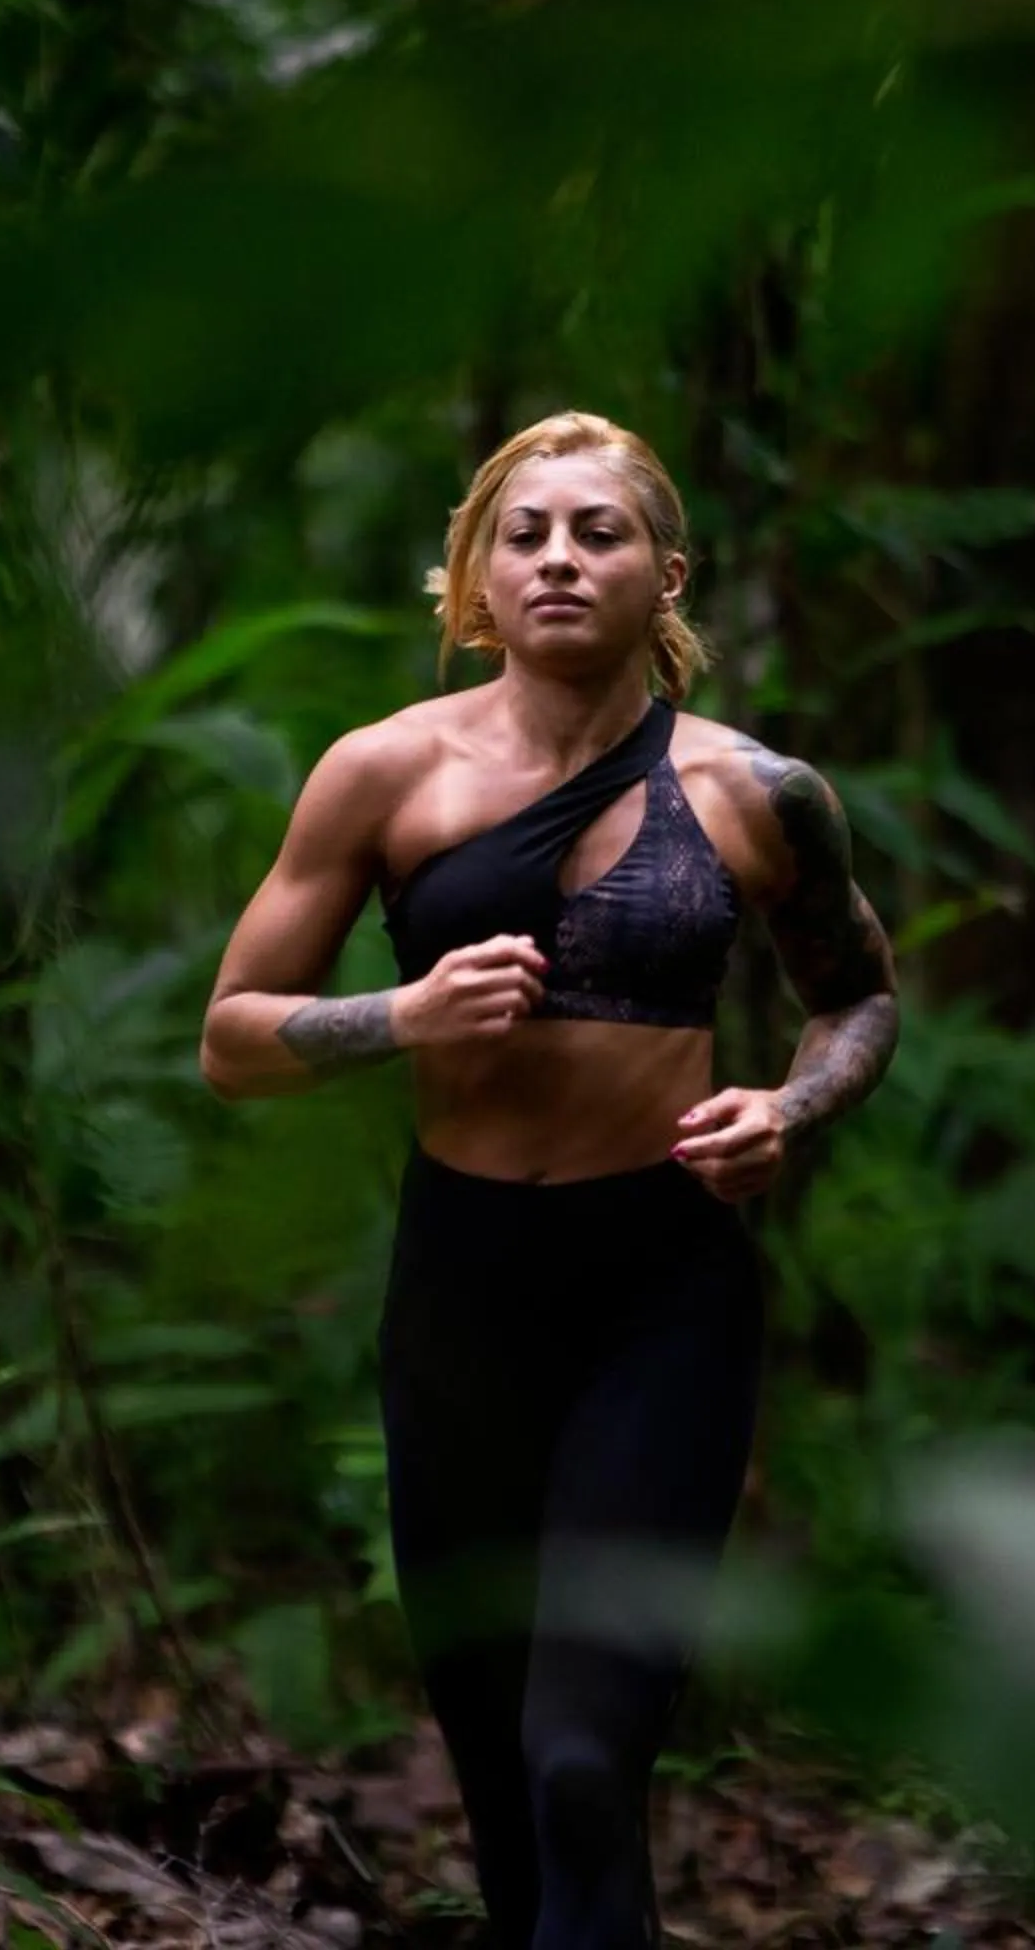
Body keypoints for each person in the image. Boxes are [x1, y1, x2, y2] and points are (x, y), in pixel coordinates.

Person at [198, 411, 899, 1949]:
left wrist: (794, 1102)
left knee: (587, 1759)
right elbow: (231, 1041)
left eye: (599, 532)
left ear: (666, 574)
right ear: (476, 575)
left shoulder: (758, 793)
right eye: (527, 535)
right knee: (505, 1769)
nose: (562, 559)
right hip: (459, 1294)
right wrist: (402, 1014)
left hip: (662, 1291)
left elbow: (861, 994)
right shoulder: (385, 774)